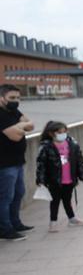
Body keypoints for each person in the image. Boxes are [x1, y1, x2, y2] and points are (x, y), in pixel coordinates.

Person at [36, 121, 83, 232]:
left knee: (67, 200)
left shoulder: (72, 144)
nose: (63, 134)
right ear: (51, 133)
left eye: (64, 131)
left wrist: (82, 174)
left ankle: (72, 219)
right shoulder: (46, 147)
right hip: (54, 181)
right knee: (54, 201)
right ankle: (53, 222)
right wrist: (40, 179)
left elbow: (79, 160)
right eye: (59, 132)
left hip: (69, 179)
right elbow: (41, 164)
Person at [0, 84, 35, 241]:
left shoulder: (14, 111)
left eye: (18, 98)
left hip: (17, 162)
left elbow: (31, 125)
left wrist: (18, 126)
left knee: (18, 193)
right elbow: (15, 136)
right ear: (2, 98)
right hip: (4, 164)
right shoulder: (1, 115)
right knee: (6, 197)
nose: (16, 101)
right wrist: (21, 127)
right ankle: (5, 230)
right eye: (12, 98)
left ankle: (16, 223)